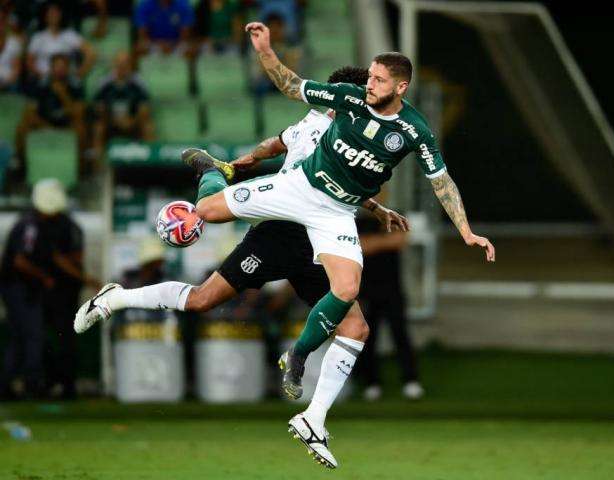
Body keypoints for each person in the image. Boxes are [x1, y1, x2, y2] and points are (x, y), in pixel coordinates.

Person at [80, 18, 496, 466]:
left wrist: (401, 215)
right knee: (203, 276)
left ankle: (312, 412)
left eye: (378, 80)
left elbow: (390, 177)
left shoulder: (408, 129)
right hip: (286, 218)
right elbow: (281, 127)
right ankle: (129, 283)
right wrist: (263, 56)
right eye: (367, 80)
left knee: (355, 321)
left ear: (400, 86)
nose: (368, 88)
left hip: (329, 223)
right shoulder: (326, 114)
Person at [75, 65, 406, 468]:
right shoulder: (324, 125)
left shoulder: (339, 127)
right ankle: (118, 297)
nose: (369, 99)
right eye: (362, 92)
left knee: (356, 327)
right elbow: (309, 163)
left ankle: (313, 419)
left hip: (320, 246)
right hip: (279, 235)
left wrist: (375, 207)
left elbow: (279, 146)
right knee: (200, 301)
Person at [0, 179, 95, 399]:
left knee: (21, 336)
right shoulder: (31, 225)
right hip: (20, 289)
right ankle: (33, 384)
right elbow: (20, 261)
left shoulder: (36, 224)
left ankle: (9, 385)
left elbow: (56, 258)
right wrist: (45, 277)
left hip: (27, 289)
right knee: (33, 335)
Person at [356, 209, 424, 401]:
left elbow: (400, 241)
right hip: (366, 289)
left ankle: (411, 381)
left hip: (393, 289)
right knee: (368, 337)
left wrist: (373, 242)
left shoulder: (393, 215)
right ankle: (372, 383)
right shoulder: (356, 219)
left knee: (400, 333)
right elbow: (361, 246)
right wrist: (383, 242)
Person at [15, 53, 86, 169]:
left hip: (66, 125)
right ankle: (23, 166)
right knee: (22, 127)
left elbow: (79, 113)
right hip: (45, 124)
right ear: (51, 68)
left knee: (80, 128)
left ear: (68, 68)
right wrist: (45, 126)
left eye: (63, 67)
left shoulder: (76, 85)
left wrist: (63, 95)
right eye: (57, 67)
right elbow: (29, 111)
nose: (60, 70)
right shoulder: (41, 84)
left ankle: (78, 168)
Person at [92, 51, 155, 160]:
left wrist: (132, 121)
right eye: (119, 64)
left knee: (148, 127)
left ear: (130, 65)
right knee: (98, 128)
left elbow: (144, 110)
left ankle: (150, 163)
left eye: (125, 64)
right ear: (114, 64)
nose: (122, 67)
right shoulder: (104, 83)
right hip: (110, 122)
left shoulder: (139, 83)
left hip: (133, 122)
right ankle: (99, 167)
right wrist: (115, 120)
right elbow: (99, 109)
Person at [26, 2, 96, 81]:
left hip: (66, 79)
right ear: (45, 16)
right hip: (44, 80)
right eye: (51, 13)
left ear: (61, 15)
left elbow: (90, 53)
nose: (54, 16)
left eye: (56, 13)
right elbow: (29, 62)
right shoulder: (38, 37)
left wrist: (80, 73)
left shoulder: (70, 35)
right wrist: (41, 75)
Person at [0, 9, 21, 92]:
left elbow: (16, 70)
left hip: (9, 82)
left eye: (1, 20)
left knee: (14, 85)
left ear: (5, 23)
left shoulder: (14, 42)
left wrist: (4, 84)